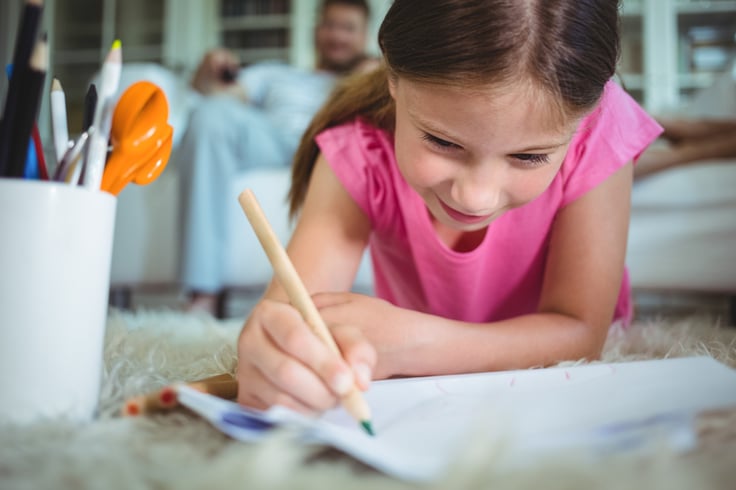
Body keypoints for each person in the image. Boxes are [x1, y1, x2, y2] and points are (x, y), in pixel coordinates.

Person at [234, 0, 663, 415]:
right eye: (443, 142)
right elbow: (292, 318)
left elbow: (581, 333)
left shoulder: (602, 127)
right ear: (393, 80)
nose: (475, 197)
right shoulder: (356, 149)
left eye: (529, 157)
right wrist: (275, 352)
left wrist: (416, 343)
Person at [178, 0, 377, 315]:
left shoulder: (371, 81)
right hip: (272, 141)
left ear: (365, 36)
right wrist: (207, 70)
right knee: (210, 115)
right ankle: (203, 294)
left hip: (331, 147)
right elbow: (213, 93)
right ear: (316, 30)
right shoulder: (276, 73)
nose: (337, 35)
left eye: (347, 27)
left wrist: (370, 78)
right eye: (330, 25)